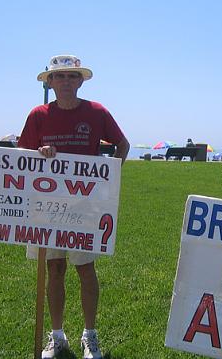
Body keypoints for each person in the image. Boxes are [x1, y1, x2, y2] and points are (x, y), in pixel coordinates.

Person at [18, 55, 130, 359]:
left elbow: (123, 145)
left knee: (85, 269)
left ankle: (89, 336)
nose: (65, 82)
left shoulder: (96, 112)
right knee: (54, 269)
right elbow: (22, 156)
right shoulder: (38, 115)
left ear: (80, 81)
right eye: (59, 77)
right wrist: (40, 153)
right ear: (50, 82)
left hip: (85, 207)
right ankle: (57, 337)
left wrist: (108, 179)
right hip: (46, 207)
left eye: (71, 76)